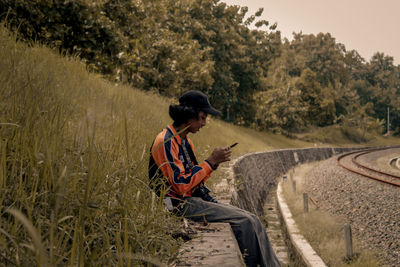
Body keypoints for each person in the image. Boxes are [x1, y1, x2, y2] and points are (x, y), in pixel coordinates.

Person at [149, 90, 280, 267]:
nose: (203, 124)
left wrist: (214, 164)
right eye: (201, 118)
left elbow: (194, 181)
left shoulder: (185, 141)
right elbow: (180, 185)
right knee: (245, 222)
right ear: (189, 116)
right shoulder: (165, 141)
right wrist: (210, 161)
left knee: (254, 219)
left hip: (192, 199)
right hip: (176, 205)